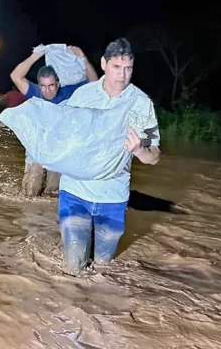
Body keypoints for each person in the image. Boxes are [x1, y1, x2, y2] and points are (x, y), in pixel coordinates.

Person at [58, 38, 160, 275]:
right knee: (73, 268)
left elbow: (153, 157)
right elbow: (59, 132)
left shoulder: (141, 104)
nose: (123, 75)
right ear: (104, 64)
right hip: (75, 192)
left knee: (102, 271)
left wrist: (139, 150)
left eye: (128, 69)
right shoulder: (82, 96)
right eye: (117, 67)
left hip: (113, 198)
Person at [10, 45, 99, 197]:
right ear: (39, 85)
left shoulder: (70, 92)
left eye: (51, 85)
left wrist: (83, 58)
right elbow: (16, 76)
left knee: (52, 193)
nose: (47, 90)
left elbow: (94, 83)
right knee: (30, 191)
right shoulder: (34, 93)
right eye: (43, 86)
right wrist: (36, 55)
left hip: (59, 151)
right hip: (36, 150)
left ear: (58, 83)